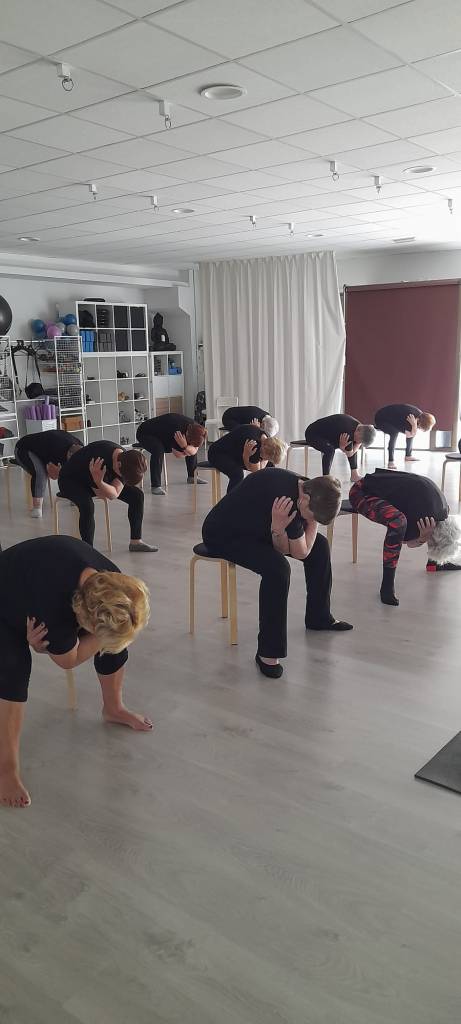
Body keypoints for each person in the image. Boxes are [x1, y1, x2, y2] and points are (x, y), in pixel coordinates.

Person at [0, 535, 151, 809]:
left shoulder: (113, 583)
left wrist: (110, 637)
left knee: (116, 636)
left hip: (39, 583)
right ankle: (6, 770)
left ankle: (113, 708)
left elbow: (113, 627)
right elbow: (67, 660)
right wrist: (46, 646)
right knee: (13, 670)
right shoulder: (54, 609)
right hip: (6, 592)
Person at [202, 468, 353, 679]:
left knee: (319, 547)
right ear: (305, 499)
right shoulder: (287, 503)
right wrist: (279, 529)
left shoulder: (310, 488)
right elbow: (298, 552)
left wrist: (284, 528)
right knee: (277, 570)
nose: (312, 520)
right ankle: (268, 653)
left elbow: (299, 547)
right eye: (312, 516)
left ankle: (319, 617)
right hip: (224, 534)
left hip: (261, 527)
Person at [349, 469, 461, 608]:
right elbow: (402, 541)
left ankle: (434, 565)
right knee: (398, 522)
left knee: (426, 525)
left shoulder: (442, 509)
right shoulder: (421, 517)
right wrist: (421, 539)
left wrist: (422, 537)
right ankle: (387, 586)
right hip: (361, 492)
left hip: (375, 483)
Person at [58, 441, 156, 553]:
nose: (122, 479)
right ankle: (88, 551)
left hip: (97, 480)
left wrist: (99, 482)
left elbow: (114, 494)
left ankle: (135, 542)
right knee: (87, 505)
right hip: (70, 480)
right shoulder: (98, 460)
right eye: (123, 476)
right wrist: (99, 482)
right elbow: (102, 493)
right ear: (118, 465)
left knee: (137, 496)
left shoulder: (126, 460)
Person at [14, 428, 82, 518]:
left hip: (42, 449)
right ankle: (37, 509)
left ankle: (74, 498)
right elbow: (53, 475)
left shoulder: (82, 449)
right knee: (40, 473)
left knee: (73, 472)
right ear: (68, 455)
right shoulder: (56, 449)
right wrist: (62, 473)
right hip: (23, 449)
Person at [136, 413, 207, 494]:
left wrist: (185, 447)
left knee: (188, 448)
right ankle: (155, 486)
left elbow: (194, 450)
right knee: (158, 450)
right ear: (187, 435)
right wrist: (186, 448)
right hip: (145, 433)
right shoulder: (178, 432)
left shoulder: (197, 429)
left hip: (162, 435)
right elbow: (177, 454)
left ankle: (192, 476)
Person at [207, 424, 287, 492]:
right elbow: (257, 473)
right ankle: (230, 502)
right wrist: (246, 456)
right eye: (266, 457)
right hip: (217, 454)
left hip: (233, 453)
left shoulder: (266, 437)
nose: (264, 459)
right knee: (237, 474)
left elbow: (258, 468)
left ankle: (270, 494)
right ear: (265, 450)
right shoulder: (254, 446)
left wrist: (246, 456)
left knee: (270, 467)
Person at [305, 414, 376, 482]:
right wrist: (343, 448)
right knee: (330, 450)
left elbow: (352, 449)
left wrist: (343, 447)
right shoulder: (348, 432)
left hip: (328, 436)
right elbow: (349, 454)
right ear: (358, 432)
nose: (358, 442)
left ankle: (354, 475)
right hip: (313, 434)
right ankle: (326, 478)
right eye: (359, 440)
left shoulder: (359, 427)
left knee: (352, 444)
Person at [374, 404, 436, 468]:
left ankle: (408, 456)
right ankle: (391, 461)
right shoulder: (410, 418)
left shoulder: (420, 415)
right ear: (419, 422)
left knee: (411, 430)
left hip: (392, 419)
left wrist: (414, 426)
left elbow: (412, 433)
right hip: (381, 420)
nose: (419, 428)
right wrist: (414, 425)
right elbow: (411, 435)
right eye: (421, 427)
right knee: (394, 433)